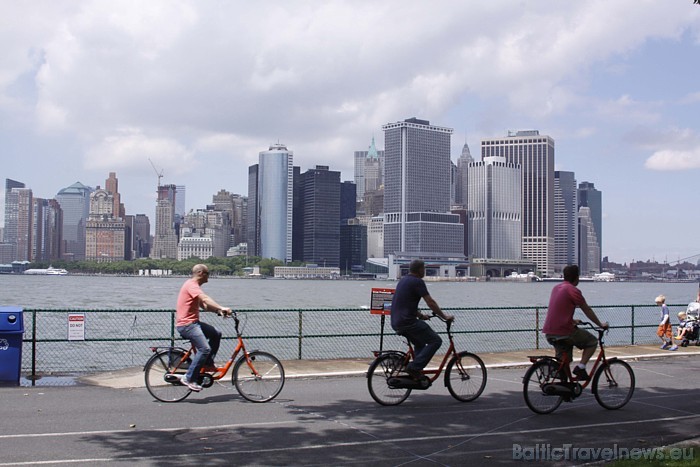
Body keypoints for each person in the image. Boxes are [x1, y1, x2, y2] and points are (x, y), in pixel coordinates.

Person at [542, 265, 609, 381]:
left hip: (549, 331)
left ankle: (564, 389)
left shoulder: (556, 288)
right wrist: (600, 324)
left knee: (564, 361)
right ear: (577, 277)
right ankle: (581, 368)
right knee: (592, 341)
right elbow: (587, 309)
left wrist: (572, 321)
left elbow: (558, 310)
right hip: (564, 331)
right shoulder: (573, 290)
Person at [390, 259, 454, 380]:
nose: (424, 271)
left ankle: (416, 372)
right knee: (436, 341)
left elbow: (406, 304)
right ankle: (414, 368)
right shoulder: (417, 281)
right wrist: (444, 316)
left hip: (396, 321)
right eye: (424, 268)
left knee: (419, 343)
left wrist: (421, 316)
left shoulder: (403, 280)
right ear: (420, 269)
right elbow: (430, 302)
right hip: (408, 323)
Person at [176, 264, 232, 391]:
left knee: (216, 333)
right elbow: (205, 299)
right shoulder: (191, 285)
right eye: (208, 273)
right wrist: (221, 307)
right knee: (205, 349)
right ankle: (189, 378)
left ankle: (207, 363)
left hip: (193, 323)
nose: (209, 276)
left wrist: (218, 311)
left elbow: (204, 306)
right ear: (200, 273)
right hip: (187, 325)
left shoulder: (193, 287)